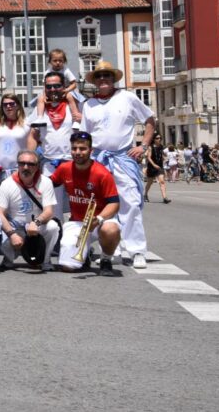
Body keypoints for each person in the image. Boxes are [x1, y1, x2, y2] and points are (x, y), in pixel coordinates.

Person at [79, 60, 155, 269]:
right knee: (98, 205)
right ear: (94, 82)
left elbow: (149, 119)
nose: (103, 80)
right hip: (97, 160)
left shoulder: (127, 98)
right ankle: (106, 246)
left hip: (122, 158)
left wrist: (144, 145)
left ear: (113, 79)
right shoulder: (89, 105)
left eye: (107, 76)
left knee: (129, 202)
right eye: (99, 77)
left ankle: (137, 249)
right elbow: (84, 135)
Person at [51, 131, 122, 275]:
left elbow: (114, 203)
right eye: (74, 148)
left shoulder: (102, 173)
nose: (77, 152)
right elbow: (48, 184)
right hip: (77, 223)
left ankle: (106, 259)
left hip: (99, 223)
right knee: (68, 267)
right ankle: (86, 253)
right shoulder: (64, 168)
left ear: (91, 150)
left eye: (82, 149)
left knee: (111, 230)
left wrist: (100, 218)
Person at [0, 150, 59, 270]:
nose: (25, 167)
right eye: (22, 163)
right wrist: (12, 234)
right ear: (17, 165)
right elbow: (0, 213)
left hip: (36, 227)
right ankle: (8, 259)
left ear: (37, 166)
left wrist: (36, 223)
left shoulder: (45, 182)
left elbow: (49, 211)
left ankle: (45, 260)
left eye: (30, 164)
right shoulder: (7, 184)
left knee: (53, 227)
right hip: (15, 227)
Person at [27, 71, 79, 181]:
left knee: (75, 198)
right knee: (51, 197)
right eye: (49, 86)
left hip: (73, 163)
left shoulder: (74, 106)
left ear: (64, 86)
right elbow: (32, 136)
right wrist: (29, 159)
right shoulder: (39, 109)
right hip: (49, 165)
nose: (53, 89)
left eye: (57, 86)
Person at [0, 92, 29, 184]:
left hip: (18, 170)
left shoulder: (27, 123)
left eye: (12, 104)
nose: (8, 106)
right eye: (5, 105)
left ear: (18, 106)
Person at [143, 133, 170, 203]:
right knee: (150, 182)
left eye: (160, 138)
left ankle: (165, 197)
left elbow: (162, 155)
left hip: (159, 166)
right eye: (157, 138)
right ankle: (145, 194)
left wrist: (164, 157)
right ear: (154, 139)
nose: (159, 139)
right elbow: (149, 157)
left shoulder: (161, 147)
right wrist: (154, 165)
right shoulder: (150, 147)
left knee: (162, 181)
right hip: (152, 167)